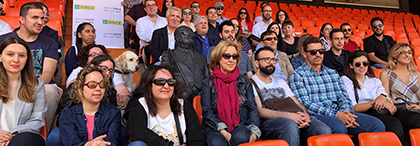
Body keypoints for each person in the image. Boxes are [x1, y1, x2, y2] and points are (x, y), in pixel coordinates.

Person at [288, 35, 385, 135]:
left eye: (321, 51)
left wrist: (346, 113)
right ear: (305, 54)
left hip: (340, 113)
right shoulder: (298, 75)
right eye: (313, 52)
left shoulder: (332, 73)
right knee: (338, 125)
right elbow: (305, 104)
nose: (318, 54)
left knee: (376, 125)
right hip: (317, 115)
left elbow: (343, 97)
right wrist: (337, 115)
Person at [0, 2, 60, 133]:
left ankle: (43, 133)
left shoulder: (50, 42)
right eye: (35, 18)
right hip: (6, 82)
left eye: (42, 18)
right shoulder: (3, 40)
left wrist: (30, 86)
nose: (40, 22)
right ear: (22, 19)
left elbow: (48, 72)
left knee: (49, 90)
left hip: (36, 85)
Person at [252, 47, 331, 146]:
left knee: (321, 127)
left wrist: (306, 115)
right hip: (269, 123)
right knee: (289, 125)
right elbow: (260, 111)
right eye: (266, 59)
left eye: (273, 60)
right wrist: (289, 116)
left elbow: (297, 103)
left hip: (294, 118)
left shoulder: (280, 81)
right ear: (256, 63)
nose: (271, 62)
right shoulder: (251, 83)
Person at [128, 65, 205, 146]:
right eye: (160, 82)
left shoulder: (183, 106)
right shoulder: (140, 104)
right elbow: (137, 132)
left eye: (171, 82)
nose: (166, 86)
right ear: (149, 85)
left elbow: (197, 139)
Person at [202, 41, 260, 146]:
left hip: (240, 125)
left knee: (240, 138)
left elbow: (252, 108)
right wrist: (223, 131)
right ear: (218, 58)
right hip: (214, 127)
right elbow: (207, 112)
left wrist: (254, 131)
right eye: (227, 56)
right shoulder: (208, 83)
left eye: (235, 57)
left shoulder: (244, 81)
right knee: (217, 143)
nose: (231, 60)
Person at [341, 50, 404, 143]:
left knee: (407, 119)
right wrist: (375, 102)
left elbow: (384, 96)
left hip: (379, 111)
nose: (362, 66)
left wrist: (382, 98)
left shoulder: (374, 80)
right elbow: (353, 107)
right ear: (351, 65)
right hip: (364, 113)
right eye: (358, 64)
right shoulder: (346, 80)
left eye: (365, 63)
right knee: (394, 124)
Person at [0, 37, 46, 146]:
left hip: (22, 137)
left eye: (21, 55)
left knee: (23, 140)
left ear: (26, 59)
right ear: (0, 57)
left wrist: (12, 134)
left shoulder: (37, 85)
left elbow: (37, 119)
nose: (16, 60)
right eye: (10, 54)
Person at [58, 67, 122, 146]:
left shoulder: (113, 112)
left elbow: (111, 141)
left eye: (102, 84)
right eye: (92, 85)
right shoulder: (68, 113)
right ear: (80, 88)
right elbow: (71, 143)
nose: (98, 88)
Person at [66, 44, 131, 109]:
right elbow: (74, 88)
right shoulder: (78, 71)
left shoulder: (111, 89)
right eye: (93, 54)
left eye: (101, 55)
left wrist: (125, 97)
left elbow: (122, 88)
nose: (107, 73)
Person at [379, 43, 420, 138]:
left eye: (409, 52)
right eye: (403, 52)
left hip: (417, 108)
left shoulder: (417, 74)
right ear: (395, 55)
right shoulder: (386, 74)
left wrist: (418, 106)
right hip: (401, 110)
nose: (407, 55)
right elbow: (385, 96)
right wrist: (406, 107)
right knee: (417, 120)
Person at [161, 26, 209, 103]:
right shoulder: (169, 55)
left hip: (201, 91)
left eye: (191, 33)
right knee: (185, 94)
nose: (190, 35)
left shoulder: (201, 57)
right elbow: (165, 75)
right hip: (181, 92)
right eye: (185, 33)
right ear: (177, 37)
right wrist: (179, 87)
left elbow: (207, 77)